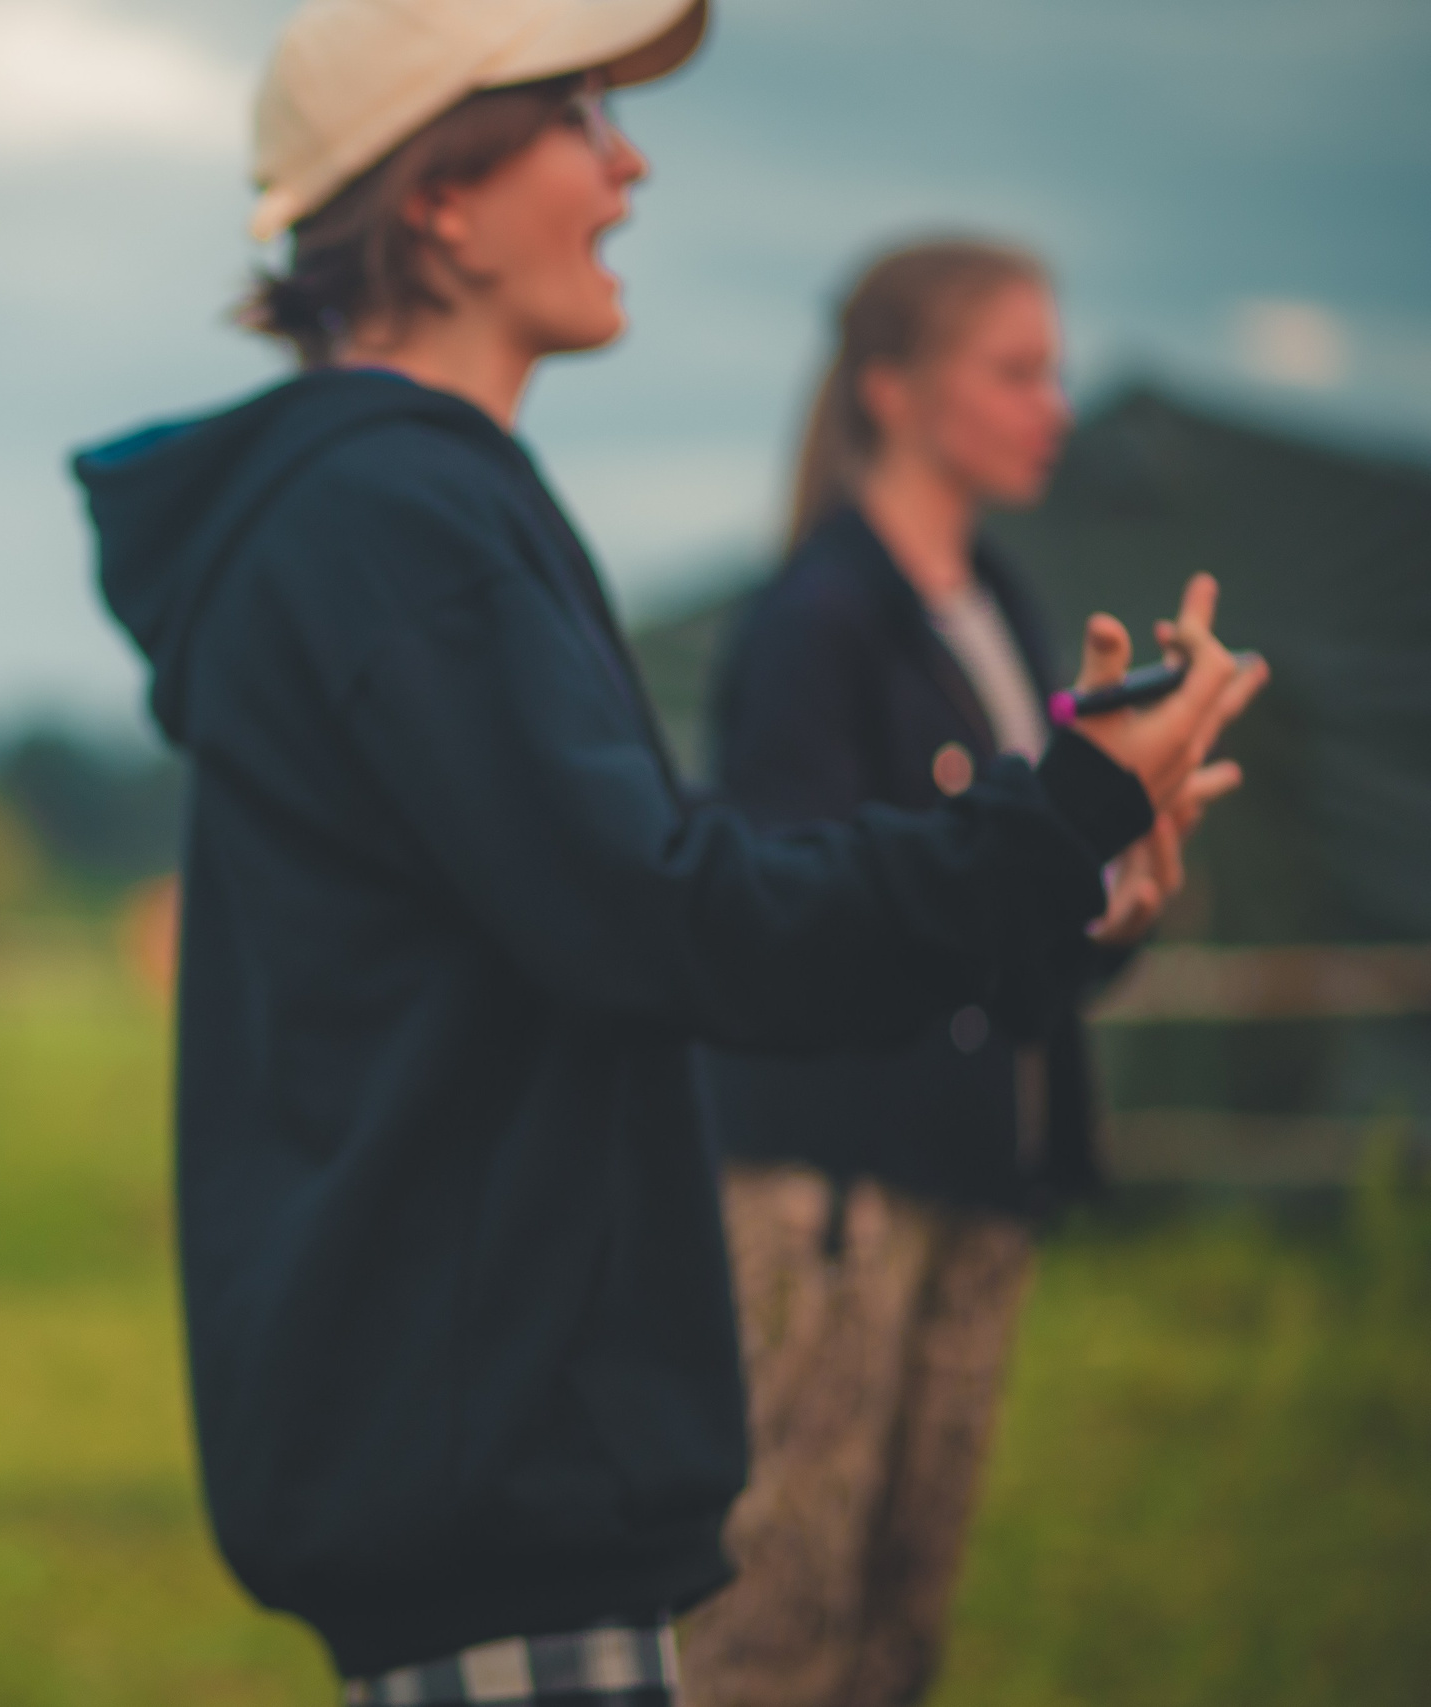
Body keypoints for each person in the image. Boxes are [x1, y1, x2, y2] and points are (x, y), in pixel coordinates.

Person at [69, 3, 1265, 1704]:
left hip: (494, 1453)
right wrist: (1063, 810)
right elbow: (677, 916)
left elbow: (643, 891)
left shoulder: (417, 504)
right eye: (579, 111)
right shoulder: (393, 520)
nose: (631, 164)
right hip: (489, 1470)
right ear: (440, 202)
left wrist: (1068, 862)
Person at [679, 241, 1199, 1707]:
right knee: (779, 1625)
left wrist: (1119, 898)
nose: (1056, 405)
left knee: (900, 1632)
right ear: (896, 392)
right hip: (834, 1193)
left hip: (976, 1172)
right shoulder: (815, 625)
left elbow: (998, 932)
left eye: (1056, 369)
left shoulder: (1003, 607)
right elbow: (805, 930)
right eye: (1018, 370)